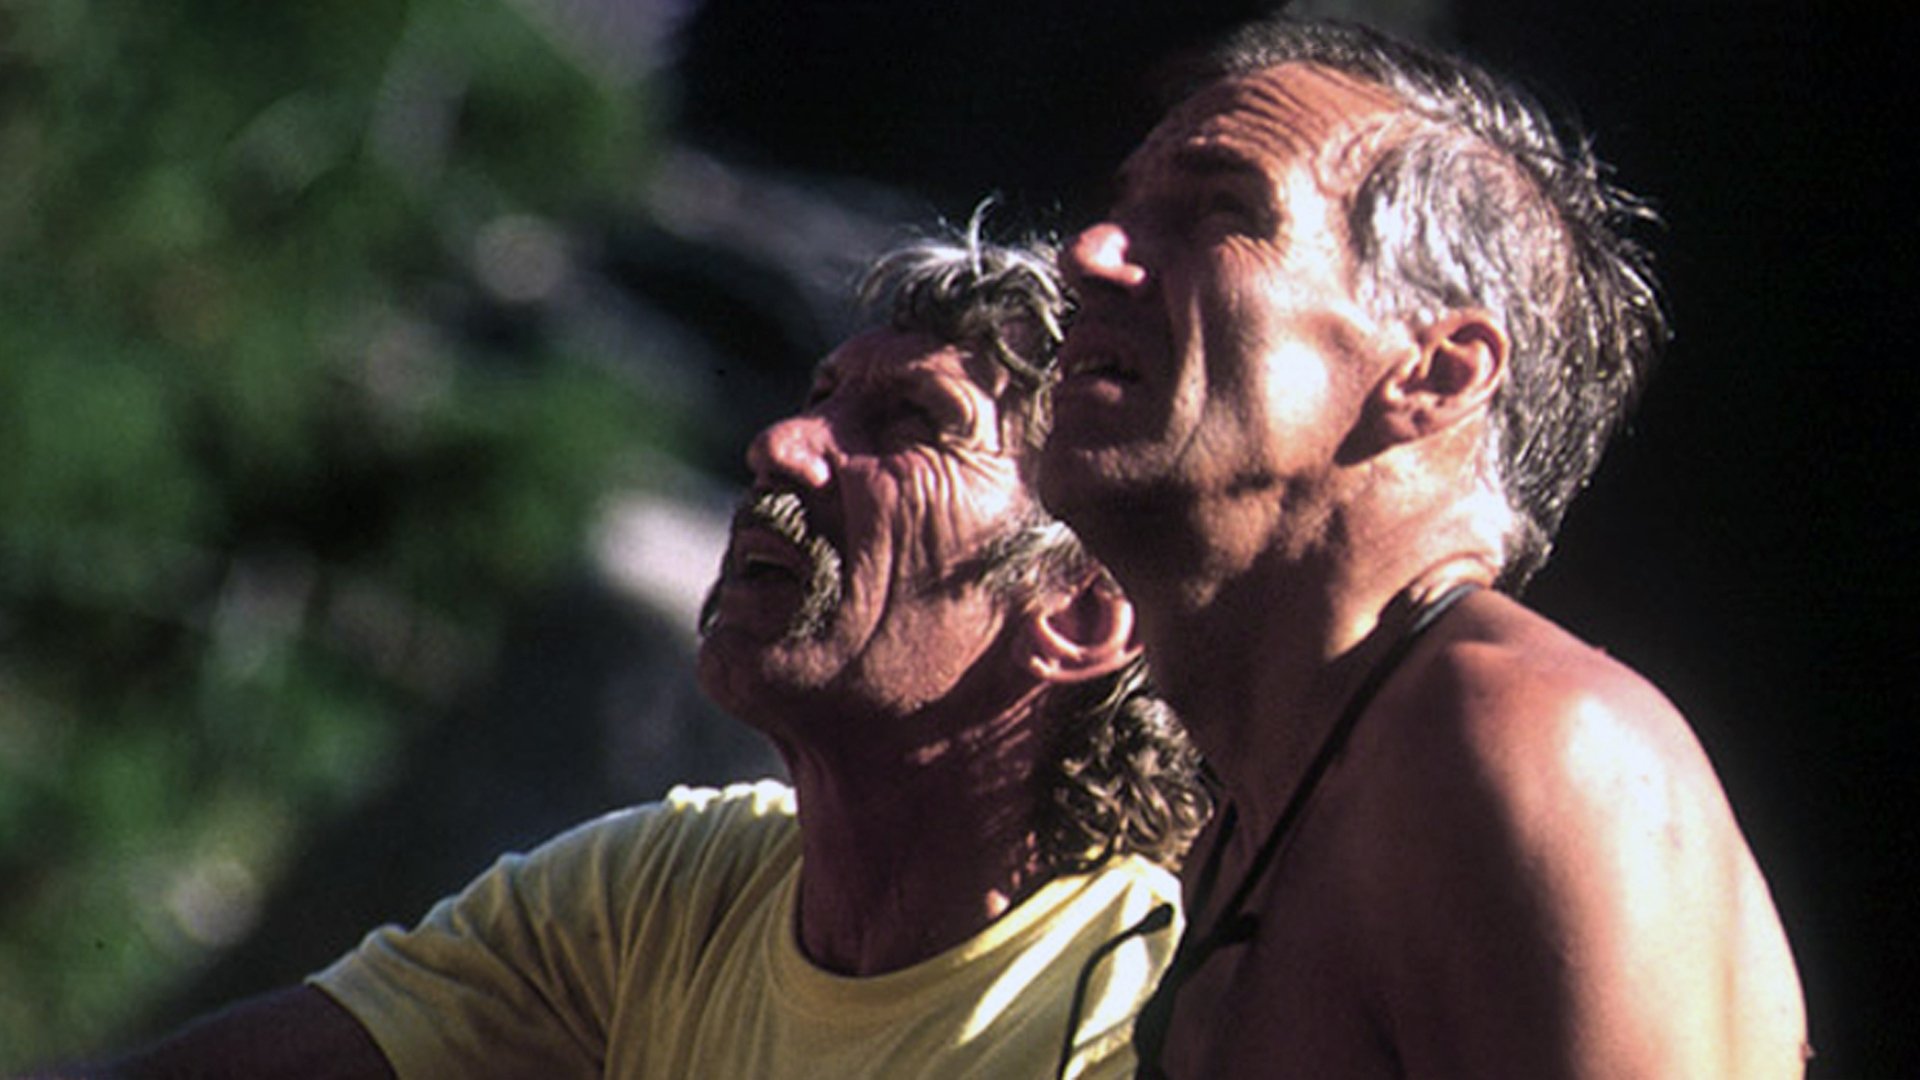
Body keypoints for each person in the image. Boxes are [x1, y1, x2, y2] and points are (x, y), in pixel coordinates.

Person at [25, 223, 1210, 1079]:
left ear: (1082, 615)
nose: (782, 447)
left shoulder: (1135, 1016)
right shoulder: (675, 892)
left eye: (907, 427)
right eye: (821, 398)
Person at [1036, 16, 1808, 1079]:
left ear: (1437, 374)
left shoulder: (1529, 743)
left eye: (1219, 210)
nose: (1089, 253)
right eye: (1123, 209)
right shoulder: (1259, 821)